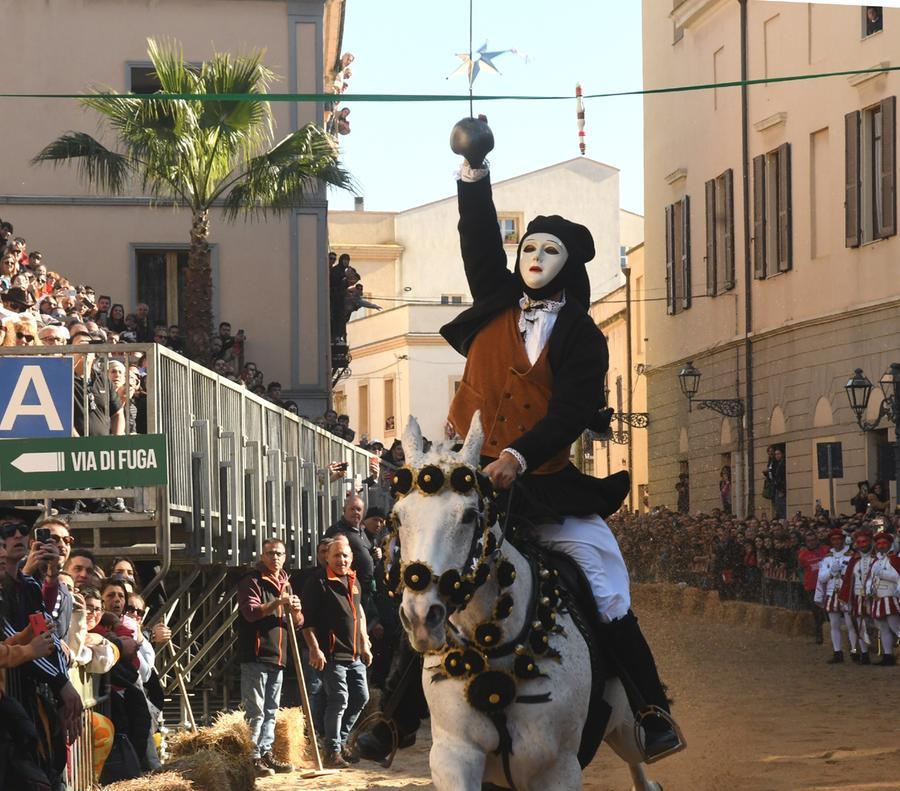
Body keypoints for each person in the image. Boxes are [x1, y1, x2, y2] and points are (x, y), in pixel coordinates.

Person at [435, 115, 679, 759]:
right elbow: (478, 238)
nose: (534, 258)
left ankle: (651, 709)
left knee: (608, 584)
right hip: (472, 476)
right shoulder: (494, 298)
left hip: (546, 486)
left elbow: (572, 411)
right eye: (529, 249)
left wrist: (519, 455)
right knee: (425, 570)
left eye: (548, 252)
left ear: (565, 266)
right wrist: (474, 171)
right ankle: (386, 711)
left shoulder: (584, 335)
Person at [302, 535, 372, 769]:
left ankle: (337, 742)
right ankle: (332, 752)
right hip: (331, 654)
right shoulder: (318, 582)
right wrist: (315, 649)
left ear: (351, 558)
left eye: (345, 555)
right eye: (336, 555)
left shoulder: (354, 580)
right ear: (327, 558)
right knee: (339, 699)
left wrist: (365, 643)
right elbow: (307, 623)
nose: (341, 559)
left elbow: (358, 615)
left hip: (354, 655)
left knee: (362, 697)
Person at [236, 538, 302, 778]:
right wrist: (277, 603)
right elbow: (251, 612)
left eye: (279, 554)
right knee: (256, 711)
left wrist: (295, 609)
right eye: (271, 553)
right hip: (256, 654)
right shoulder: (251, 580)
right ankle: (252, 757)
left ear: (285, 557)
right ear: (262, 556)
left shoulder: (286, 582)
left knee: (271, 710)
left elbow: (298, 623)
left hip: (278, 656)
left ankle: (265, 753)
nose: (275, 558)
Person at [815, 528, 858, 663]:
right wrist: (831, 573)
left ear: (843, 540)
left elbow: (856, 575)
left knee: (851, 625)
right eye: (834, 539)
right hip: (832, 593)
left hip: (847, 593)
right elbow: (821, 578)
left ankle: (854, 651)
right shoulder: (827, 558)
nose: (837, 542)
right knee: (834, 625)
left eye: (839, 539)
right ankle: (837, 652)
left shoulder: (851, 556)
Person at [838, 529, 877, 665]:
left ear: (870, 542)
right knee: (860, 625)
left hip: (876, 598)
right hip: (857, 597)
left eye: (864, 541)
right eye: (859, 542)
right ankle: (864, 653)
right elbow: (848, 581)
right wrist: (845, 600)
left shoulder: (878, 559)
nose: (862, 544)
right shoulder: (853, 561)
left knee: (880, 624)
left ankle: (886, 653)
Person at [868, 531, 899, 665]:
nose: (881, 546)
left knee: (896, 627)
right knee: (883, 629)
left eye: (884, 543)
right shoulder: (876, 561)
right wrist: (869, 588)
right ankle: (888, 656)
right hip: (878, 598)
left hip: (890, 598)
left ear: (890, 544)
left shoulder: (895, 560)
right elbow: (871, 578)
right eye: (878, 543)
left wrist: (881, 573)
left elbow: (897, 577)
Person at [797, 531, 828, 644]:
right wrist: (803, 580)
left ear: (817, 540)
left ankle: (830, 633)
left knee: (829, 610)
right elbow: (800, 570)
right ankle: (819, 634)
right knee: (816, 611)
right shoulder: (802, 555)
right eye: (808, 541)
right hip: (812, 586)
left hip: (827, 585)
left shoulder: (825, 550)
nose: (811, 543)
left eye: (813, 540)